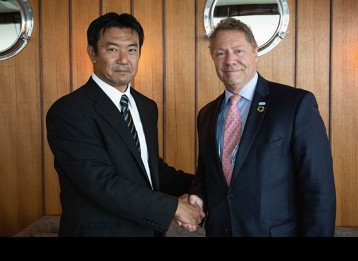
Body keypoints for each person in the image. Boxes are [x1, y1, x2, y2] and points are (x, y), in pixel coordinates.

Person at [46, 12, 205, 237]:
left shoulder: (146, 106)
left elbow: (150, 169)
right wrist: (175, 208)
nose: (123, 59)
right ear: (92, 52)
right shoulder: (69, 111)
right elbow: (100, 183)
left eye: (132, 49)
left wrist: (202, 186)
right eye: (112, 49)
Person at [188, 17, 336, 237]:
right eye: (221, 53)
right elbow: (207, 173)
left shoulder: (295, 104)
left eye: (238, 51)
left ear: (255, 51)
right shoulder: (207, 114)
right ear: (212, 56)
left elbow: (318, 188)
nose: (230, 60)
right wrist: (197, 195)